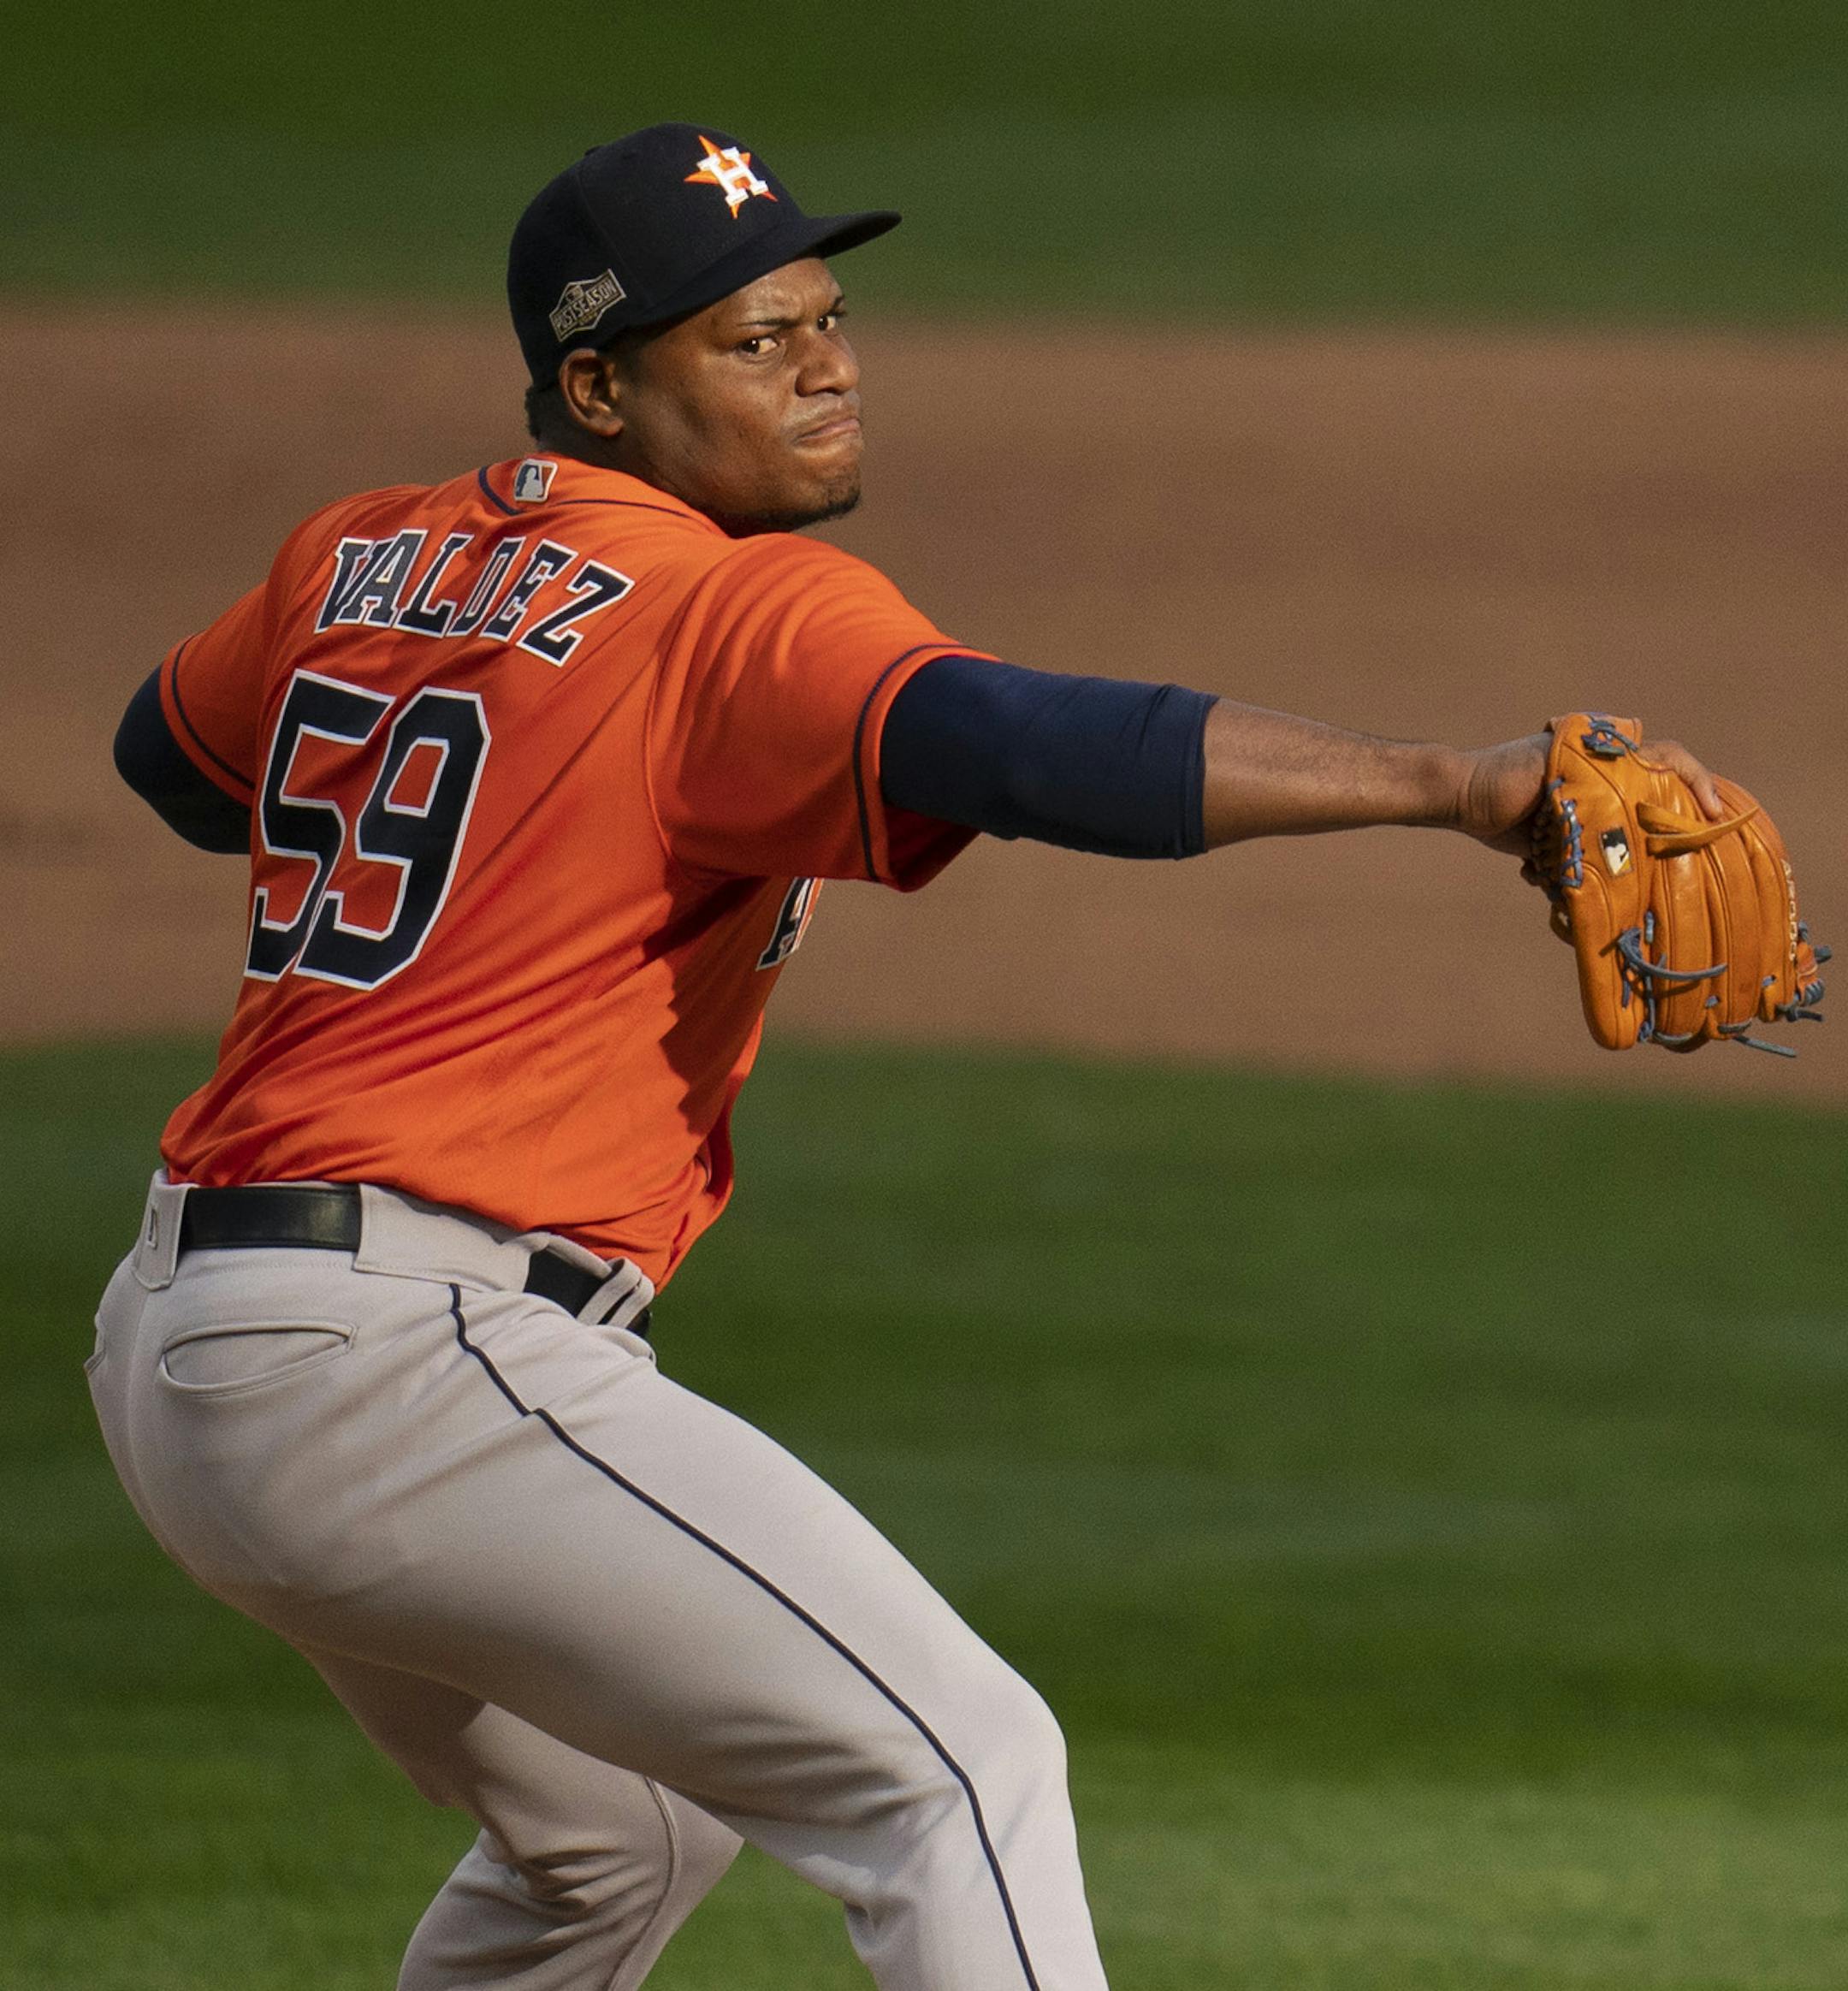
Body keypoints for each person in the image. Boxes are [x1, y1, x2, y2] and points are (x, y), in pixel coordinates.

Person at [97, 123, 1722, 1991]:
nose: (826, 365)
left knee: (614, 1841)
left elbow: (171, 763)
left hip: (184, 1357)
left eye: (824, 317)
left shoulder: (362, 547)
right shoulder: (730, 608)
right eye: (751, 340)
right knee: (959, 1771)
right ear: (597, 388)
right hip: (404, 1362)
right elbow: (1020, 751)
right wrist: (1449, 782)